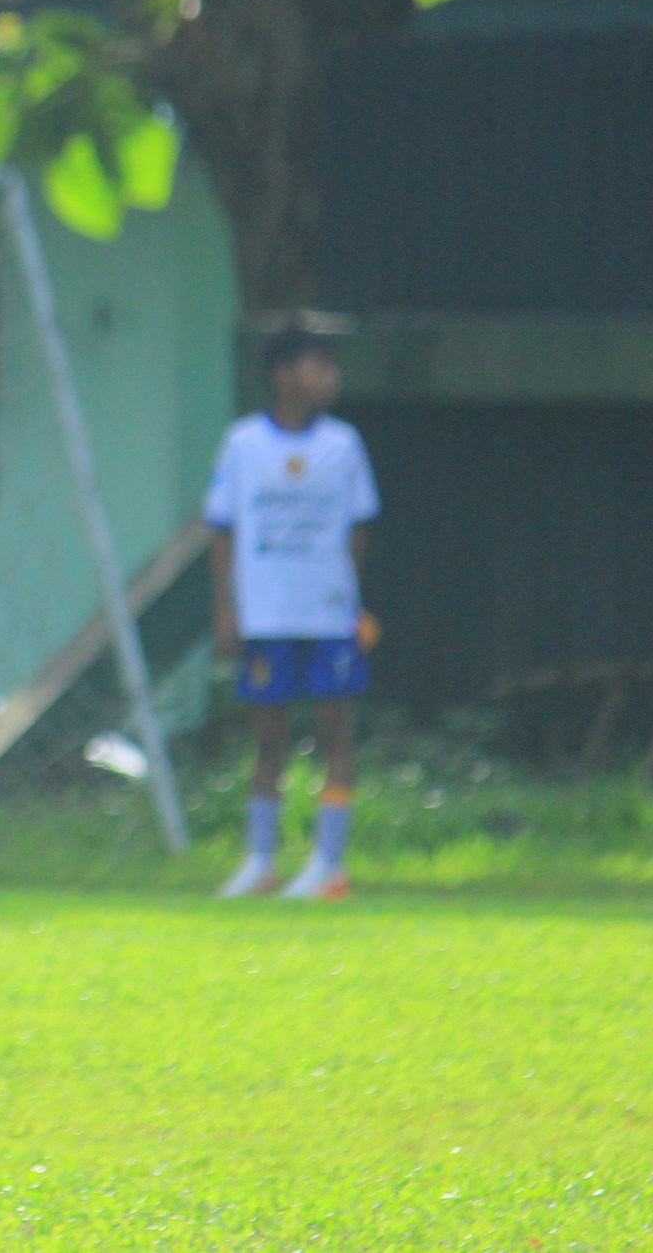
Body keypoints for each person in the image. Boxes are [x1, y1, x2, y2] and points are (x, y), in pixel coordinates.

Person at [208, 325, 380, 901]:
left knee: (334, 731)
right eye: (316, 366)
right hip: (268, 615)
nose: (329, 377)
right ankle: (261, 860)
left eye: (331, 367)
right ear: (283, 375)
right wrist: (227, 611)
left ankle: (329, 862)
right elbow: (223, 531)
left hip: (328, 616)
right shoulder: (243, 444)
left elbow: (358, 529)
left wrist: (350, 600)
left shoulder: (344, 445)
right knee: (268, 737)